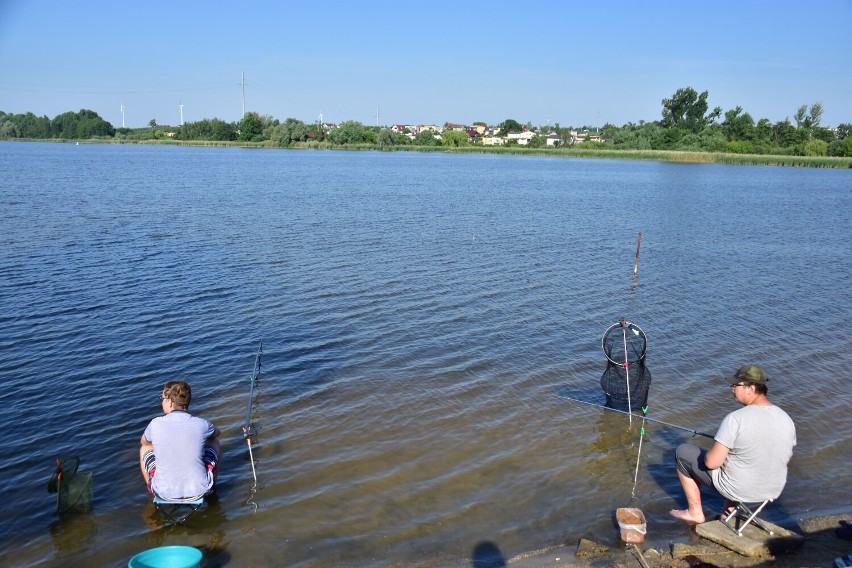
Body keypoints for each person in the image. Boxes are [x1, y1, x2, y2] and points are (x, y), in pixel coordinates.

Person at [669, 364, 796, 524]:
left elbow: (711, 462)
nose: (732, 388)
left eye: (736, 385)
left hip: (740, 489)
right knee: (741, 459)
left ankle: (695, 513)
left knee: (683, 452)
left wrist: (716, 449)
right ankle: (729, 511)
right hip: (772, 490)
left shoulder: (735, 419)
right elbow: (784, 460)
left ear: (751, 388)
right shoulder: (786, 418)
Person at [139, 380, 221, 501]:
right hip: (200, 491)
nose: (161, 402)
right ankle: (212, 485)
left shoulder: (155, 423)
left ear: (171, 402)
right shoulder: (201, 424)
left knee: (144, 448)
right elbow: (217, 433)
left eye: (162, 399)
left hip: (163, 492)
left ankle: (152, 490)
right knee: (214, 442)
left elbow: (144, 442)